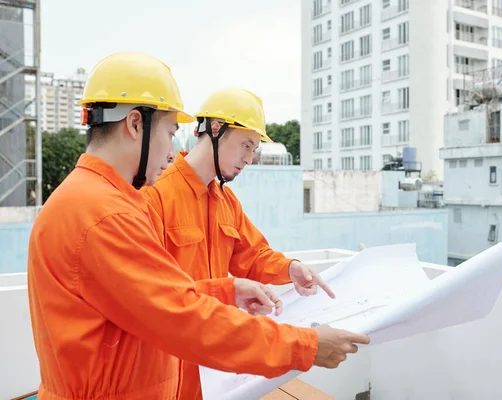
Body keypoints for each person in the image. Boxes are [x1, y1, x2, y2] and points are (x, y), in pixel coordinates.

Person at [27, 52, 370, 400]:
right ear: (134, 125)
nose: (173, 148)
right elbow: (180, 315)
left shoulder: (93, 199)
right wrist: (305, 346)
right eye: (170, 132)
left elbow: (154, 298)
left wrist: (229, 290)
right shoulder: (107, 214)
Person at [142, 88, 338, 400]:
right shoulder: (156, 196)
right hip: (168, 367)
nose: (250, 158)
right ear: (215, 130)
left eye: (254, 149)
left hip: (215, 364)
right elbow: (154, 295)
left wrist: (291, 268)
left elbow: (253, 256)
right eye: (245, 145)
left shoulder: (226, 202)